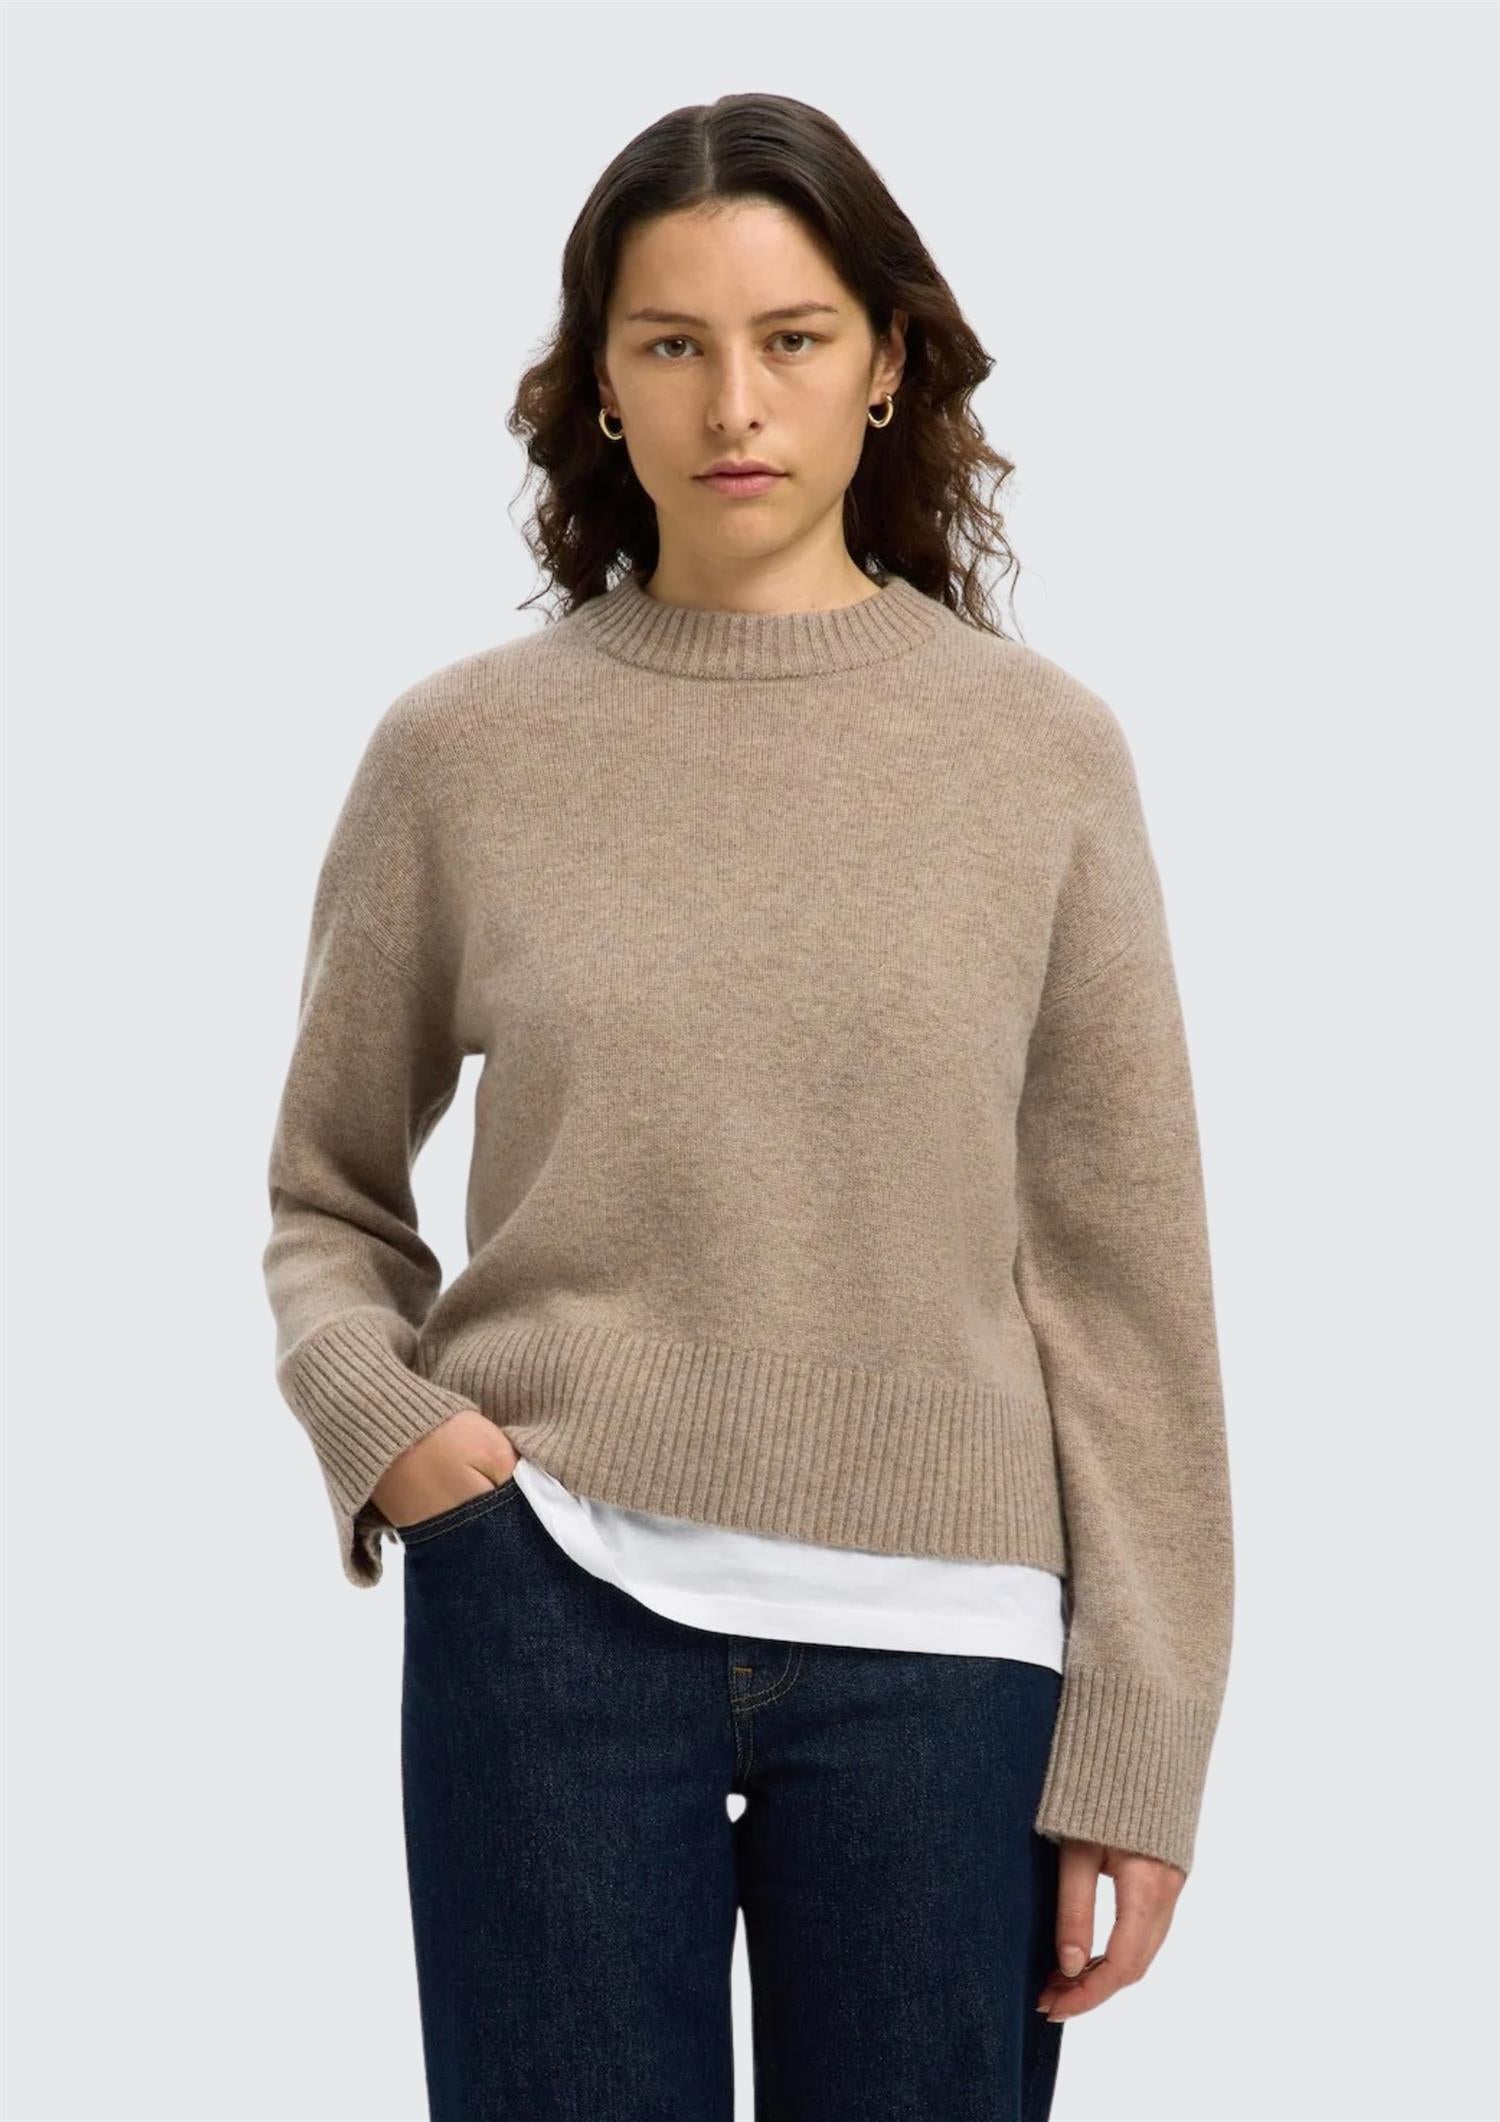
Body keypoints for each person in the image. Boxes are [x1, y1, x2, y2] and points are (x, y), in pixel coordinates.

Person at [262, 91, 1234, 2122]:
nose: (734, 401)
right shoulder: (465, 752)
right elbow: (330, 1190)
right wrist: (402, 1439)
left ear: (887, 362)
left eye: (792, 338)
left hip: (949, 1663)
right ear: (599, 381)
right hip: (545, 1608)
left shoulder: (1039, 757)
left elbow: (1126, 1286)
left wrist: (1142, 1744)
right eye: (671, 341)